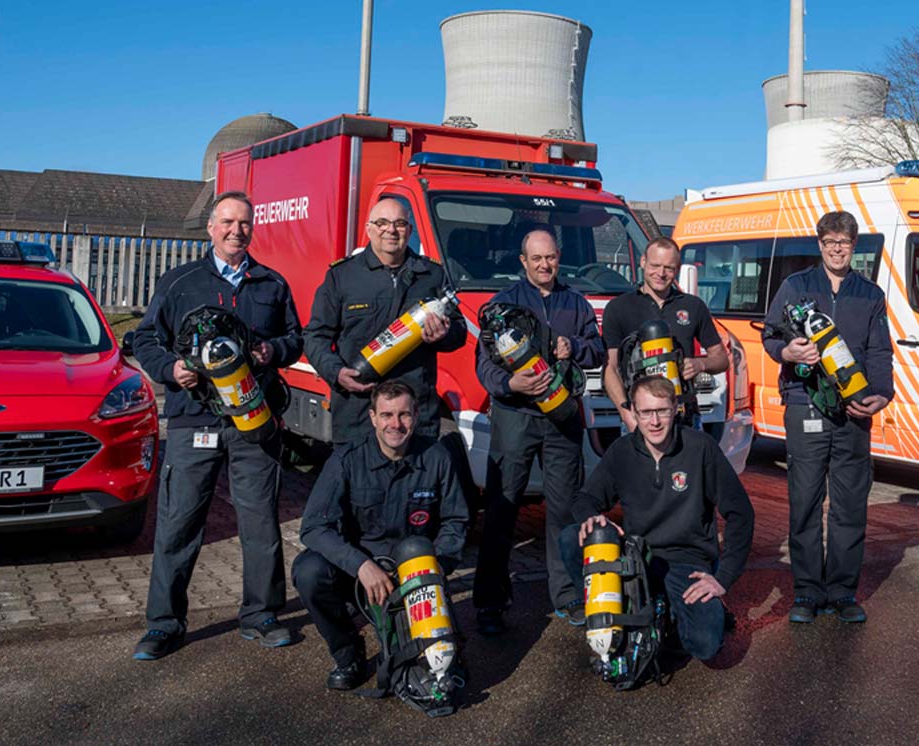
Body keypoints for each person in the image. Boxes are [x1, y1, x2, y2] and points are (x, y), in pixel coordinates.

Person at [130, 190, 304, 660]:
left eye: (244, 223)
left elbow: (295, 338)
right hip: (193, 421)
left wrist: (274, 352)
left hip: (254, 420)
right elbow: (145, 338)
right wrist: (170, 370)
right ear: (210, 227)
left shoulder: (271, 284)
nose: (236, 230)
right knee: (179, 522)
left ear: (252, 229)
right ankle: (164, 624)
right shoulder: (179, 281)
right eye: (227, 222)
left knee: (260, 522)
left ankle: (262, 616)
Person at [563, 375, 753, 663]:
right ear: (634, 413)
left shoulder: (700, 448)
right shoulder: (622, 452)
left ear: (675, 408)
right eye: (646, 412)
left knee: (706, 645)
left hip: (686, 562)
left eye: (661, 411)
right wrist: (593, 518)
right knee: (572, 537)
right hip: (637, 557)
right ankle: (614, 613)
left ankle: (676, 614)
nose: (654, 422)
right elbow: (584, 500)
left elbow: (741, 512)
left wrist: (722, 579)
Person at [471, 226, 605, 636]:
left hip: (563, 415)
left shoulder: (576, 302)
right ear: (523, 262)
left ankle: (566, 596)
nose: (545, 265)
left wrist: (575, 349)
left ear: (558, 257)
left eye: (551, 257)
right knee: (502, 508)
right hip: (515, 414)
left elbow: (597, 350)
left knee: (564, 510)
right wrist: (509, 385)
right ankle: (490, 602)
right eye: (537, 259)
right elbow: (484, 364)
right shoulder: (503, 304)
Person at [762, 210, 893, 626]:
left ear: (854, 247)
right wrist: (787, 352)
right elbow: (770, 334)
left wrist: (881, 396)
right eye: (830, 241)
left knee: (850, 505)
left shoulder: (870, 294)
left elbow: (879, 352)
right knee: (804, 501)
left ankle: (841, 591)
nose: (837, 249)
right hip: (805, 404)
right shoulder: (795, 286)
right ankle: (806, 592)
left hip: (854, 411)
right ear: (819, 244)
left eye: (845, 242)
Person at [293, 381, 469, 690]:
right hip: (360, 575)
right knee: (308, 571)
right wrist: (361, 566)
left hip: (413, 576)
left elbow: (456, 521)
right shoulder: (347, 460)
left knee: (428, 671)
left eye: (403, 415)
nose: (395, 424)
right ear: (373, 417)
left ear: (416, 415)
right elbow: (313, 527)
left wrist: (435, 568)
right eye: (386, 415)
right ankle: (348, 654)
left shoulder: (437, 457)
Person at [303, 197, 467, 447]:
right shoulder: (343, 276)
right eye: (382, 223)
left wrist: (443, 335)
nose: (391, 230)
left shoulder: (432, 275)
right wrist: (336, 373)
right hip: (358, 410)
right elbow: (315, 336)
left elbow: (459, 332)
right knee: (359, 484)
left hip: (414, 415)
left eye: (399, 223)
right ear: (368, 229)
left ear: (409, 231)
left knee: (414, 483)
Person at [600, 237, 728, 432]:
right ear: (643, 262)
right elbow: (610, 369)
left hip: (684, 416)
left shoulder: (693, 306)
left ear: (677, 269)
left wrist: (700, 364)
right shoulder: (618, 308)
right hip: (640, 418)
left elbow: (721, 359)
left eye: (668, 268)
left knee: (690, 464)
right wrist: (627, 414)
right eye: (655, 265)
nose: (661, 273)